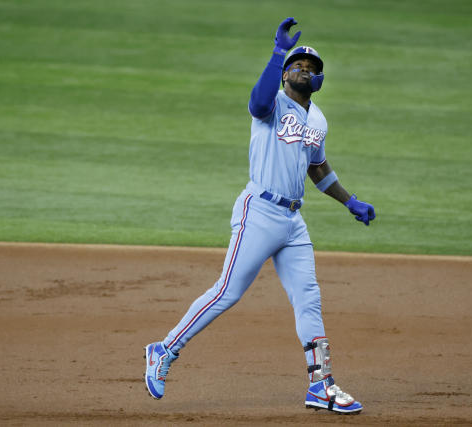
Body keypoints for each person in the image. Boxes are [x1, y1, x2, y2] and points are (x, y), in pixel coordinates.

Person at [144, 17, 375, 414]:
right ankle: (163, 350)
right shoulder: (272, 104)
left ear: (319, 81)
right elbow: (257, 101)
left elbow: (316, 167)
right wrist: (277, 53)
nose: (304, 70)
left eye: (312, 68)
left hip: (293, 222)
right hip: (259, 212)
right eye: (297, 65)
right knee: (227, 292)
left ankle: (321, 385)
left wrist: (349, 200)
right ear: (286, 74)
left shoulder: (318, 120)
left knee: (309, 299)